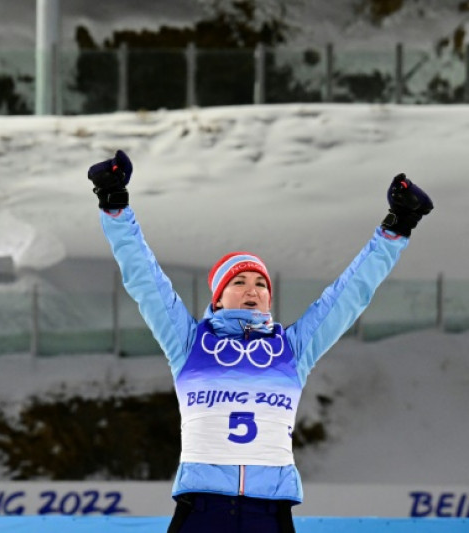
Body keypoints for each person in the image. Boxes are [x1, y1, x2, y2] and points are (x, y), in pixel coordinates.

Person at [87, 150, 434, 533]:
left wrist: (396, 228)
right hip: (202, 510)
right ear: (218, 298)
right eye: (239, 282)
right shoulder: (189, 342)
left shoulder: (292, 348)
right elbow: (145, 280)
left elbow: (349, 295)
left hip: (269, 514)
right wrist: (116, 208)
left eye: (261, 284)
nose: (253, 290)